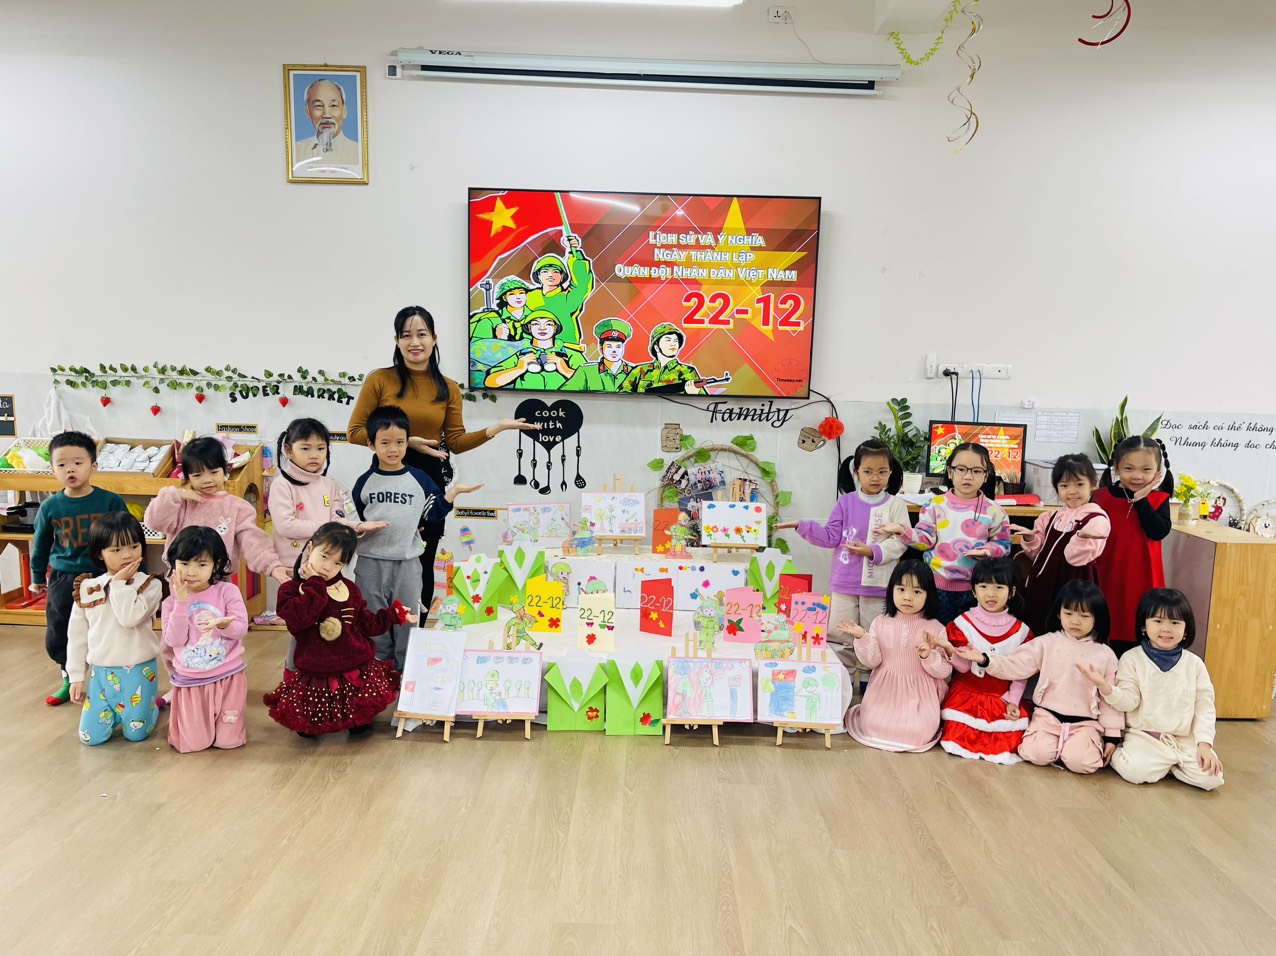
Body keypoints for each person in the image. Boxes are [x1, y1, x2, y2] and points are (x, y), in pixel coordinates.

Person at [348, 306, 536, 611]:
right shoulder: (379, 380)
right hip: (386, 479)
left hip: (428, 483)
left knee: (422, 562)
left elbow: (456, 441)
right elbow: (355, 432)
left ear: (434, 338)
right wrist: (407, 442)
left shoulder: (447, 387)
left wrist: (497, 428)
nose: (414, 342)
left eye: (421, 334)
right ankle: (379, 636)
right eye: (406, 335)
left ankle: (414, 636)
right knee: (381, 561)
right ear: (396, 341)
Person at [351, 405, 482, 670]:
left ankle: (406, 671)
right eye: (385, 442)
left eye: (400, 442)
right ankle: (379, 671)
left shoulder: (419, 479)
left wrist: (453, 493)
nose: (393, 449)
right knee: (372, 618)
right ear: (371, 444)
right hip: (370, 563)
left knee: (407, 618)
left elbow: (431, 514)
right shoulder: (364, 482)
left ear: (407, 443)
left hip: (408, 563)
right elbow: (360, 516)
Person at [264, 523, 416, 737]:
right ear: (310, 548)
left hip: (354, 664)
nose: (328, 567)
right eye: (324, 556)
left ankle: (354, 719)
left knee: (360, 725)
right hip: (316, 669)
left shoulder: (349, 588)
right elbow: (299, 621)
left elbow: (365, 623)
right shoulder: (291, 590)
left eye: (337, 563)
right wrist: (315, 584)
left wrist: (393, 615)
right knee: (307, 730)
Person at [776, 439, 910, 679]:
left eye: (882, 471)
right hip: (844, 584)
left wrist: (872, 551)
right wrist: (801, 525)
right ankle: (841, 685)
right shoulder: (845, 502)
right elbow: (830, 537)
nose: (875, 477)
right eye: (868, 471)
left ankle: (870, 687)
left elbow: (900, 542)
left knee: (874, 639)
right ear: (856, 472)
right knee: (839, 638)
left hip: (878, 586)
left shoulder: (896, 505)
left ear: (891, 472)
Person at [955, 580, 1121, 773]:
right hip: (1047, 718)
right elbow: (1016, 665)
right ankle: (1059, 747)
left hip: (1085, 723)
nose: (1075, 621)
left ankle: (1074, 747)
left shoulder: (1105, 654)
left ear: (1097, 617)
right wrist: (985, 660)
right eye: (1068, 614)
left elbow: (1109, 699)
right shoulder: (1046, 643)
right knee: (1035, 754)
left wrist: (1112, 737)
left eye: (1084, 616)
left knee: (1083, 763)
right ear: (1058, 613)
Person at [269, 418, 388, 668]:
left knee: (326, 620)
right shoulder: (282, 485)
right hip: (297, 569)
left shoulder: (328, 484)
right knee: (301, 626)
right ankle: (295, 676)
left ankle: (326, 670)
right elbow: (286, 525)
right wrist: (327, 528)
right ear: (288, 450)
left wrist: (357, 526)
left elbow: (337, 520)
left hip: (328, 568)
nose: (314, 455)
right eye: (305, 448)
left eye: (321, 448)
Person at [1079, 588, 1223, 791]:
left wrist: (1204, 745)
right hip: (1145, 737)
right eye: (1158, 621)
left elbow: (1205, 708)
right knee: (1135, 772)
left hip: (1184, 740)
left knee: (1212, 779)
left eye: (1175, 623)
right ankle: (1148, 760)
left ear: (1186, 629)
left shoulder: (1195, 664)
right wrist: (1105, 687)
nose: (1166, 629)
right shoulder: (1132, 659)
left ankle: (1168, 765)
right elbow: (1128, 701)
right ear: (1144, 626)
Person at [28, 431, 128, 706]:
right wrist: (37, 576)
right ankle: (69, 678)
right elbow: (41, 543)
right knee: (61, 627)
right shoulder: (50, 507)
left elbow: (128, 538)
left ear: (93, 466)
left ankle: (110, 679)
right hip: (65, 577)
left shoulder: (110, 502)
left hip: (105, 575)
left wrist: (135, 573)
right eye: (61, 464)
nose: (69, 469)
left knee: (110, 627)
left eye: (77, 462)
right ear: (52, 469)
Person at [877, 442, 1011, 624]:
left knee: (965, 635)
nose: (968, 476)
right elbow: (924, 540)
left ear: (986, 475)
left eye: (976, 471)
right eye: (961, 469)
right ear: (950, 471)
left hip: (976, 589)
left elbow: (1004, 544)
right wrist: (903, 530)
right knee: (934, 634)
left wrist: (988, 551)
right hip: (935, 586)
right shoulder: (934, 505)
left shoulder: (994, 510)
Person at [65, 512, 163, 746]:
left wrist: (118, 584)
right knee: (90, 738)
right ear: (100, 553)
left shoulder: (150, 584)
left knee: (136, 734)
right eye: (116, 549)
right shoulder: (89, 588)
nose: (127, 555)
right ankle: (126, 712)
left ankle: (152, 707)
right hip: (101, 673)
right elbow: (76, 636)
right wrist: (76, 676)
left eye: (134, 546)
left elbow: (129, 618)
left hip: (139, 671)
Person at [838, 560, 951, 752]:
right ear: (891, 590)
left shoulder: (935, 628)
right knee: (872, 724)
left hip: (919, 697)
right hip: (883, 693)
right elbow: (872, 661)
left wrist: (928, 656)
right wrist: (862, 637)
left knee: (918, 731)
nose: (907, 597)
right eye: (901, 589)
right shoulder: (880, 622)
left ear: (929, 595)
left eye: (917, 592)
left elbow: (944, 671)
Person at [161, 526, 250, 753]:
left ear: (216, 565)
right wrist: (181, 602)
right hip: (191, 682)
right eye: (184, 563)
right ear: (174, 564)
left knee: (228, 742)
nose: (192, 572)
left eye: (201, 565)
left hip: (228, 677)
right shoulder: (170, 602)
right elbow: (174, 640)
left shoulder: (227, 591)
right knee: (193, 744)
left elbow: (240, 629)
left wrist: (224, 625)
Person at [938, 557, 1033, 763]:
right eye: (983, 586)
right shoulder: (962, 624)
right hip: (966, 696)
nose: (991, 594)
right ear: (973, 591)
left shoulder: (1021, 632)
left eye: (999, 587)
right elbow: (963, 669)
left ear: (1012, 592)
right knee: (956, 738)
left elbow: (1020, 672)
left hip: (1002, 698)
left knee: (1008, 743)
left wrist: (1014, 701)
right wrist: (949, 649)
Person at [1011, 453, 1110, 634]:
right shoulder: (1050, 517)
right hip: (1043, 583)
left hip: (1073, 585)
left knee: (1067, 628)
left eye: (1079, 484)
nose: (1072, 491)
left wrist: (1081, 538)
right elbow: (1036, 554)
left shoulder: (1096, 519)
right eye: (1064, 485)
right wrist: (1030, 539)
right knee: (1037, 626)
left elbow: (1074, 558)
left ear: (1093, 484)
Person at [1093, 436, 1174, 652]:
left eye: (1146, 470)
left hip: (1143, 578)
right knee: (1105, 629)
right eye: (1129, 468)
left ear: (1158, 472)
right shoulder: (1100, 498)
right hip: (1107, 574)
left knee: (1140, 629)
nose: (1137, 476)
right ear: (1117, 468)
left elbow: (1158, 531)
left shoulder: (1159, 499)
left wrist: (1141, 499)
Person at [482, 309, 586, 390]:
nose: (542, 328)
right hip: (525, 402)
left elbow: (589, 381)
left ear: (555, 328)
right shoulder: (521, 353)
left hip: (565, 402)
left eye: (548, 324)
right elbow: (490, 382)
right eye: (536, 324)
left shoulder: (570, 353)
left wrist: (565, 369)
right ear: (529, 328)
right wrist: (519, 369)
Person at [523, 235, 595, 349]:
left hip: (565, 350)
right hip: (532, 349)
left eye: (556, 271)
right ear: (538, 276)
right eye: (545, 271)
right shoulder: (528, 297)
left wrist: (574, 253)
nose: (550, 275)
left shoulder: (568, 299)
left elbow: (582, 285)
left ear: (562, 276)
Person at [291, 78, 362, 175]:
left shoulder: (359, 152)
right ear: (308, 111)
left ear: (344, 111)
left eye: (333, 105)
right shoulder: (295, 151)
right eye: (319, 106)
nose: (327, 114)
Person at [618, 323, 708, 395]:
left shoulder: (687, 371)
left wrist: (694, 394)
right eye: (668, 340)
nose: (673, 344)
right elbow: (622, 396)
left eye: (676, 341)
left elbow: (705, 404)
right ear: (656, 347)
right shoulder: (640, 371)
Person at [562, 318, 635, 392]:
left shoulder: (634, 372)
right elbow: (564, 394)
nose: (614, 350)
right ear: (601, 349)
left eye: (618, 347)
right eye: (609, 346)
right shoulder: (587, 371)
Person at [469, 275, 532, 341]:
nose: (518, 297)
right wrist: (498, 340)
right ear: (504, 298)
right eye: (512, 294)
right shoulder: (490, 319)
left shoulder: (535, 316)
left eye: (521, 293)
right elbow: (476, 345)